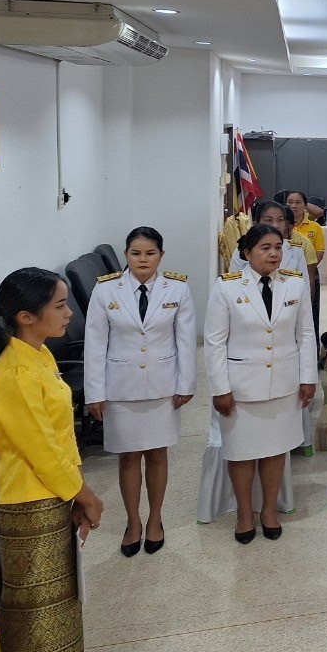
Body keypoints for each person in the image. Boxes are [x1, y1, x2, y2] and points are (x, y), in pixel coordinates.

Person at [0, 269, 104, 652]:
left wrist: (76, 489)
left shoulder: (39, 355)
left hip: (54, 493)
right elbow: (43, 452)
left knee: (59, 603)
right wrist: (87, 496)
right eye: (60, 306)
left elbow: (61, 438)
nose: (69, 313)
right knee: (35, 608)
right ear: (26, 316)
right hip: (30, 504)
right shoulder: (15, 373)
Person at [83, 227, 195, 557]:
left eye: (150, 253)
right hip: (121, 388)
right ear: (126, 255)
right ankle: (133, 522)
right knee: (129, 457)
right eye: (135, 253)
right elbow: (95, 343)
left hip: (163, 386)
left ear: (161, 255)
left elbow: (186, 339)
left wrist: (186, 383)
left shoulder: (177, 288)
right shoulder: (106, 289)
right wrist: (94, 393)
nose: (142, 259)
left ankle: (155, 518)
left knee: (158, 454)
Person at [204, 225, 316, 542]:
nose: (273, 253)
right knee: (241, 453)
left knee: (275, 451)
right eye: (265, 248)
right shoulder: (226, 287)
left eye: (278, 247)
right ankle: (244, 513)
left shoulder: (294, 284)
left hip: (283, 384)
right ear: (247, 253)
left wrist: (308, 377)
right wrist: (220, 389)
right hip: (241, 388)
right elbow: (214, 343)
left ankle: (268, 510)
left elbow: (306, 333)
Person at [230, 201, 309, 276]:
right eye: (268, 220)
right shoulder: (243, 251)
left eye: (280, 220)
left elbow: (304, 283)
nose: (275, 225)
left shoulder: (296, 250)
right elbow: (235, 283)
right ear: (256, 224)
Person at [287, 190, 325, 333]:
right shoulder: (281, 225)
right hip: (286, 274)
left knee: (310, 314)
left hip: (309, 271)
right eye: (290, 202)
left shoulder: (314, 226)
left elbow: (319, 252)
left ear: (305, 205)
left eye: (298, 202)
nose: (293, 206)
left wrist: (307, 265)